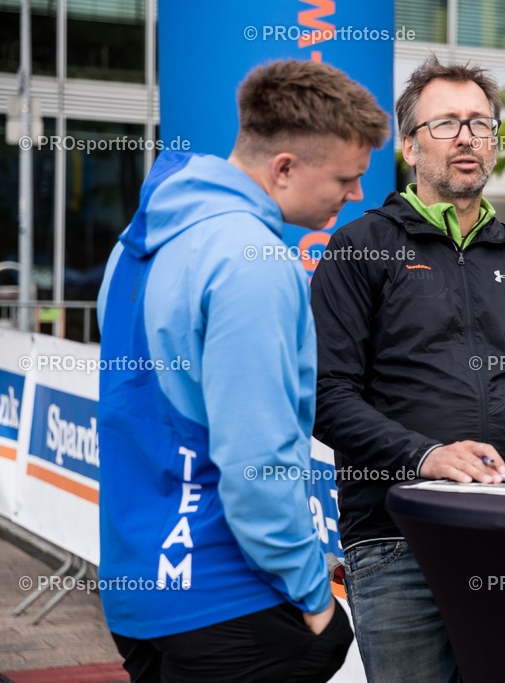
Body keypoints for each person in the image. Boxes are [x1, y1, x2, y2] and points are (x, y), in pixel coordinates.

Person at [96, 60, 390, 682]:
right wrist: (314, 596)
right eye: (347, 178)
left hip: (140, 591)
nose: (357, 195)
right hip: (226, 592)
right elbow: (257, 458)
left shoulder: (135, 243)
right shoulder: (252, 261)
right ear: (284, 167)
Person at [311, 55, 505, 681]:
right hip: (397, 536)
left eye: (480, 124)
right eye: (446, 124)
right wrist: (426, 455)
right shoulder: (359, 249)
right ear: (409, 145)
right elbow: (324, 395)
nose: (467, 137)